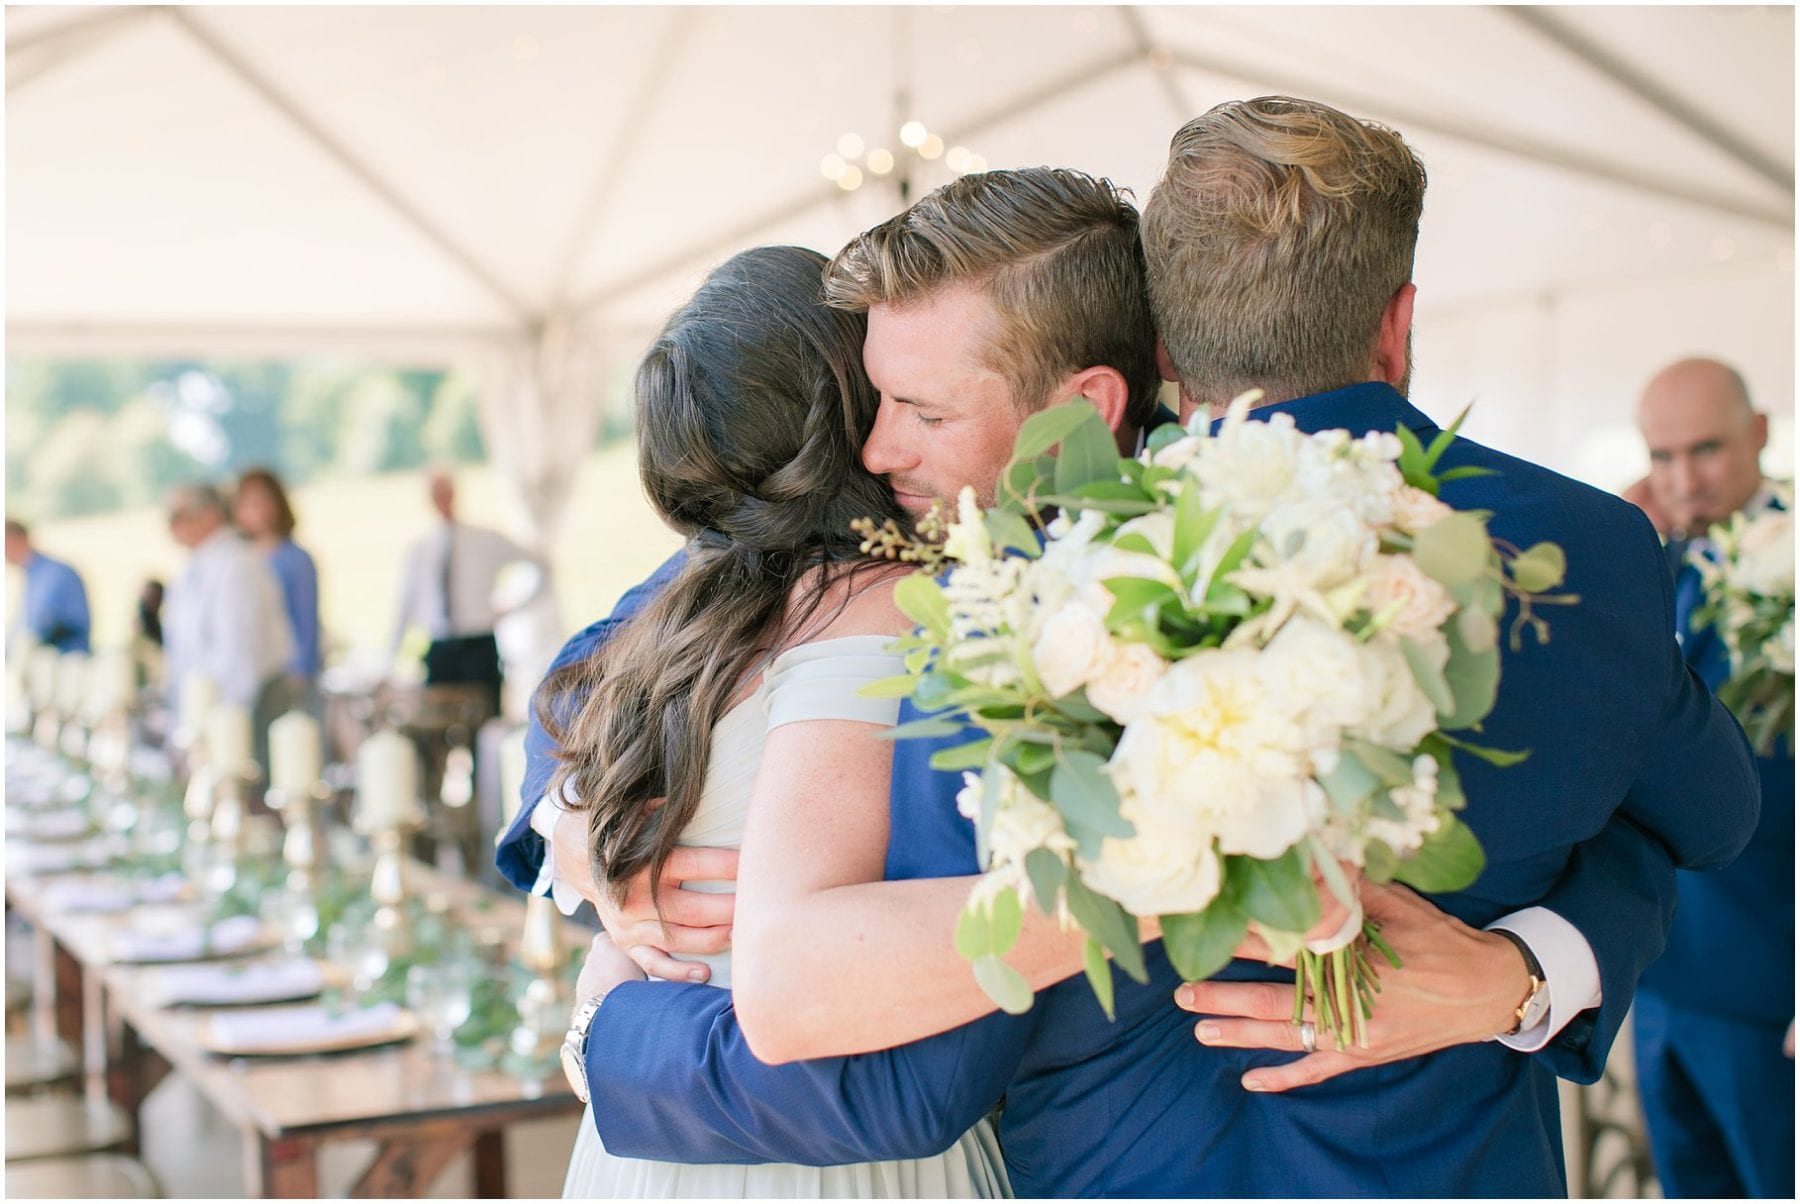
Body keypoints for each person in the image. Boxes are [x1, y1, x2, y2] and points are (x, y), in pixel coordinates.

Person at [505, 154, 1756, 1195]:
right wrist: (571, 806)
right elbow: (654, 619)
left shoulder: (1003, 627)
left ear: (1095, 394)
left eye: (920, 412)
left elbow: (895, 1084)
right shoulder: (905, 572)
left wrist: (606, 1027)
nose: (876, 450)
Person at [548, 244, 1008, 1197]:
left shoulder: (675, 628)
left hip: (654, 1136)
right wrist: (566, 833)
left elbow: (564, 730)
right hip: (825, 1140)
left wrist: (576, 852)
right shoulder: (886, 603)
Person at [1627, 357, 1793, 1199]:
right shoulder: (1656, 568)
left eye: (1706, 450)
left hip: (1771, 980)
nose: (1682, 479)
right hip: (1661, 974)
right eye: (1661, 457)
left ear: (1760, 432)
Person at [162, 484, 296, 771]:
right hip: (207, 714)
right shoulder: (194, 568)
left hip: (244, 714)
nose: (171, 525)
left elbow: (239, 659)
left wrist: (217, 731)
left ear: (210, 515)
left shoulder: (237, 565)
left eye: (179, 514)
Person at [390, 468, 542, 715]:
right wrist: (391, 661)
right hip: (439, 648)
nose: (441, 500)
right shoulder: (421, 551)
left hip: (478, 645)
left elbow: (539, 564)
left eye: (445, 493)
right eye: (435, 495)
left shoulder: (484, 539)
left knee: (485, 722)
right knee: (435, 725)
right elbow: (405, 607)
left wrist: (515, 605)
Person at [232, 468, 322, 704]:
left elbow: (305, 620)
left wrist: (300, 671)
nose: (256, 510)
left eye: (263, 501)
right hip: (250, 672)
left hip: (284, 670)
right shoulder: (236, 560)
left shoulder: (295, 559)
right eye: (249, 503)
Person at [5, 518, 91, 653]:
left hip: (66, 659)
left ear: (14, 541)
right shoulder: (32, 576)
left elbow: (41, 625)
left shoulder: (54, 573)